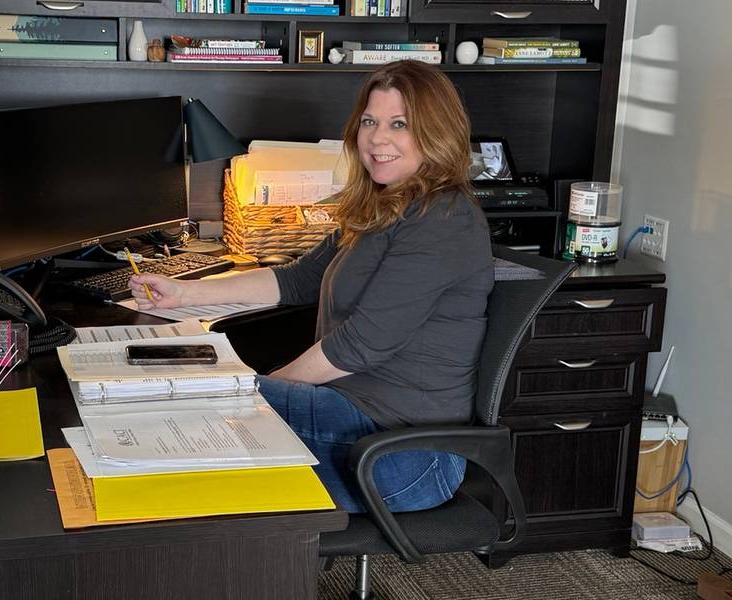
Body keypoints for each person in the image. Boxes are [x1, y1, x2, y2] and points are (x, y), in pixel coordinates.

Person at [130, 60, 494, 514]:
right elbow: (300, 278)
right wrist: (184, 294)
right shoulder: (381, 206)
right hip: (356, 418)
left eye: (399, 124)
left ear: (436, 133)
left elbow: (359, 346)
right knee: (189, 401)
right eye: (369, 122)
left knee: (198, 403)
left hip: (405, 454)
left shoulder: (443, 218)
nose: (378, 138)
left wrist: (256, 394)